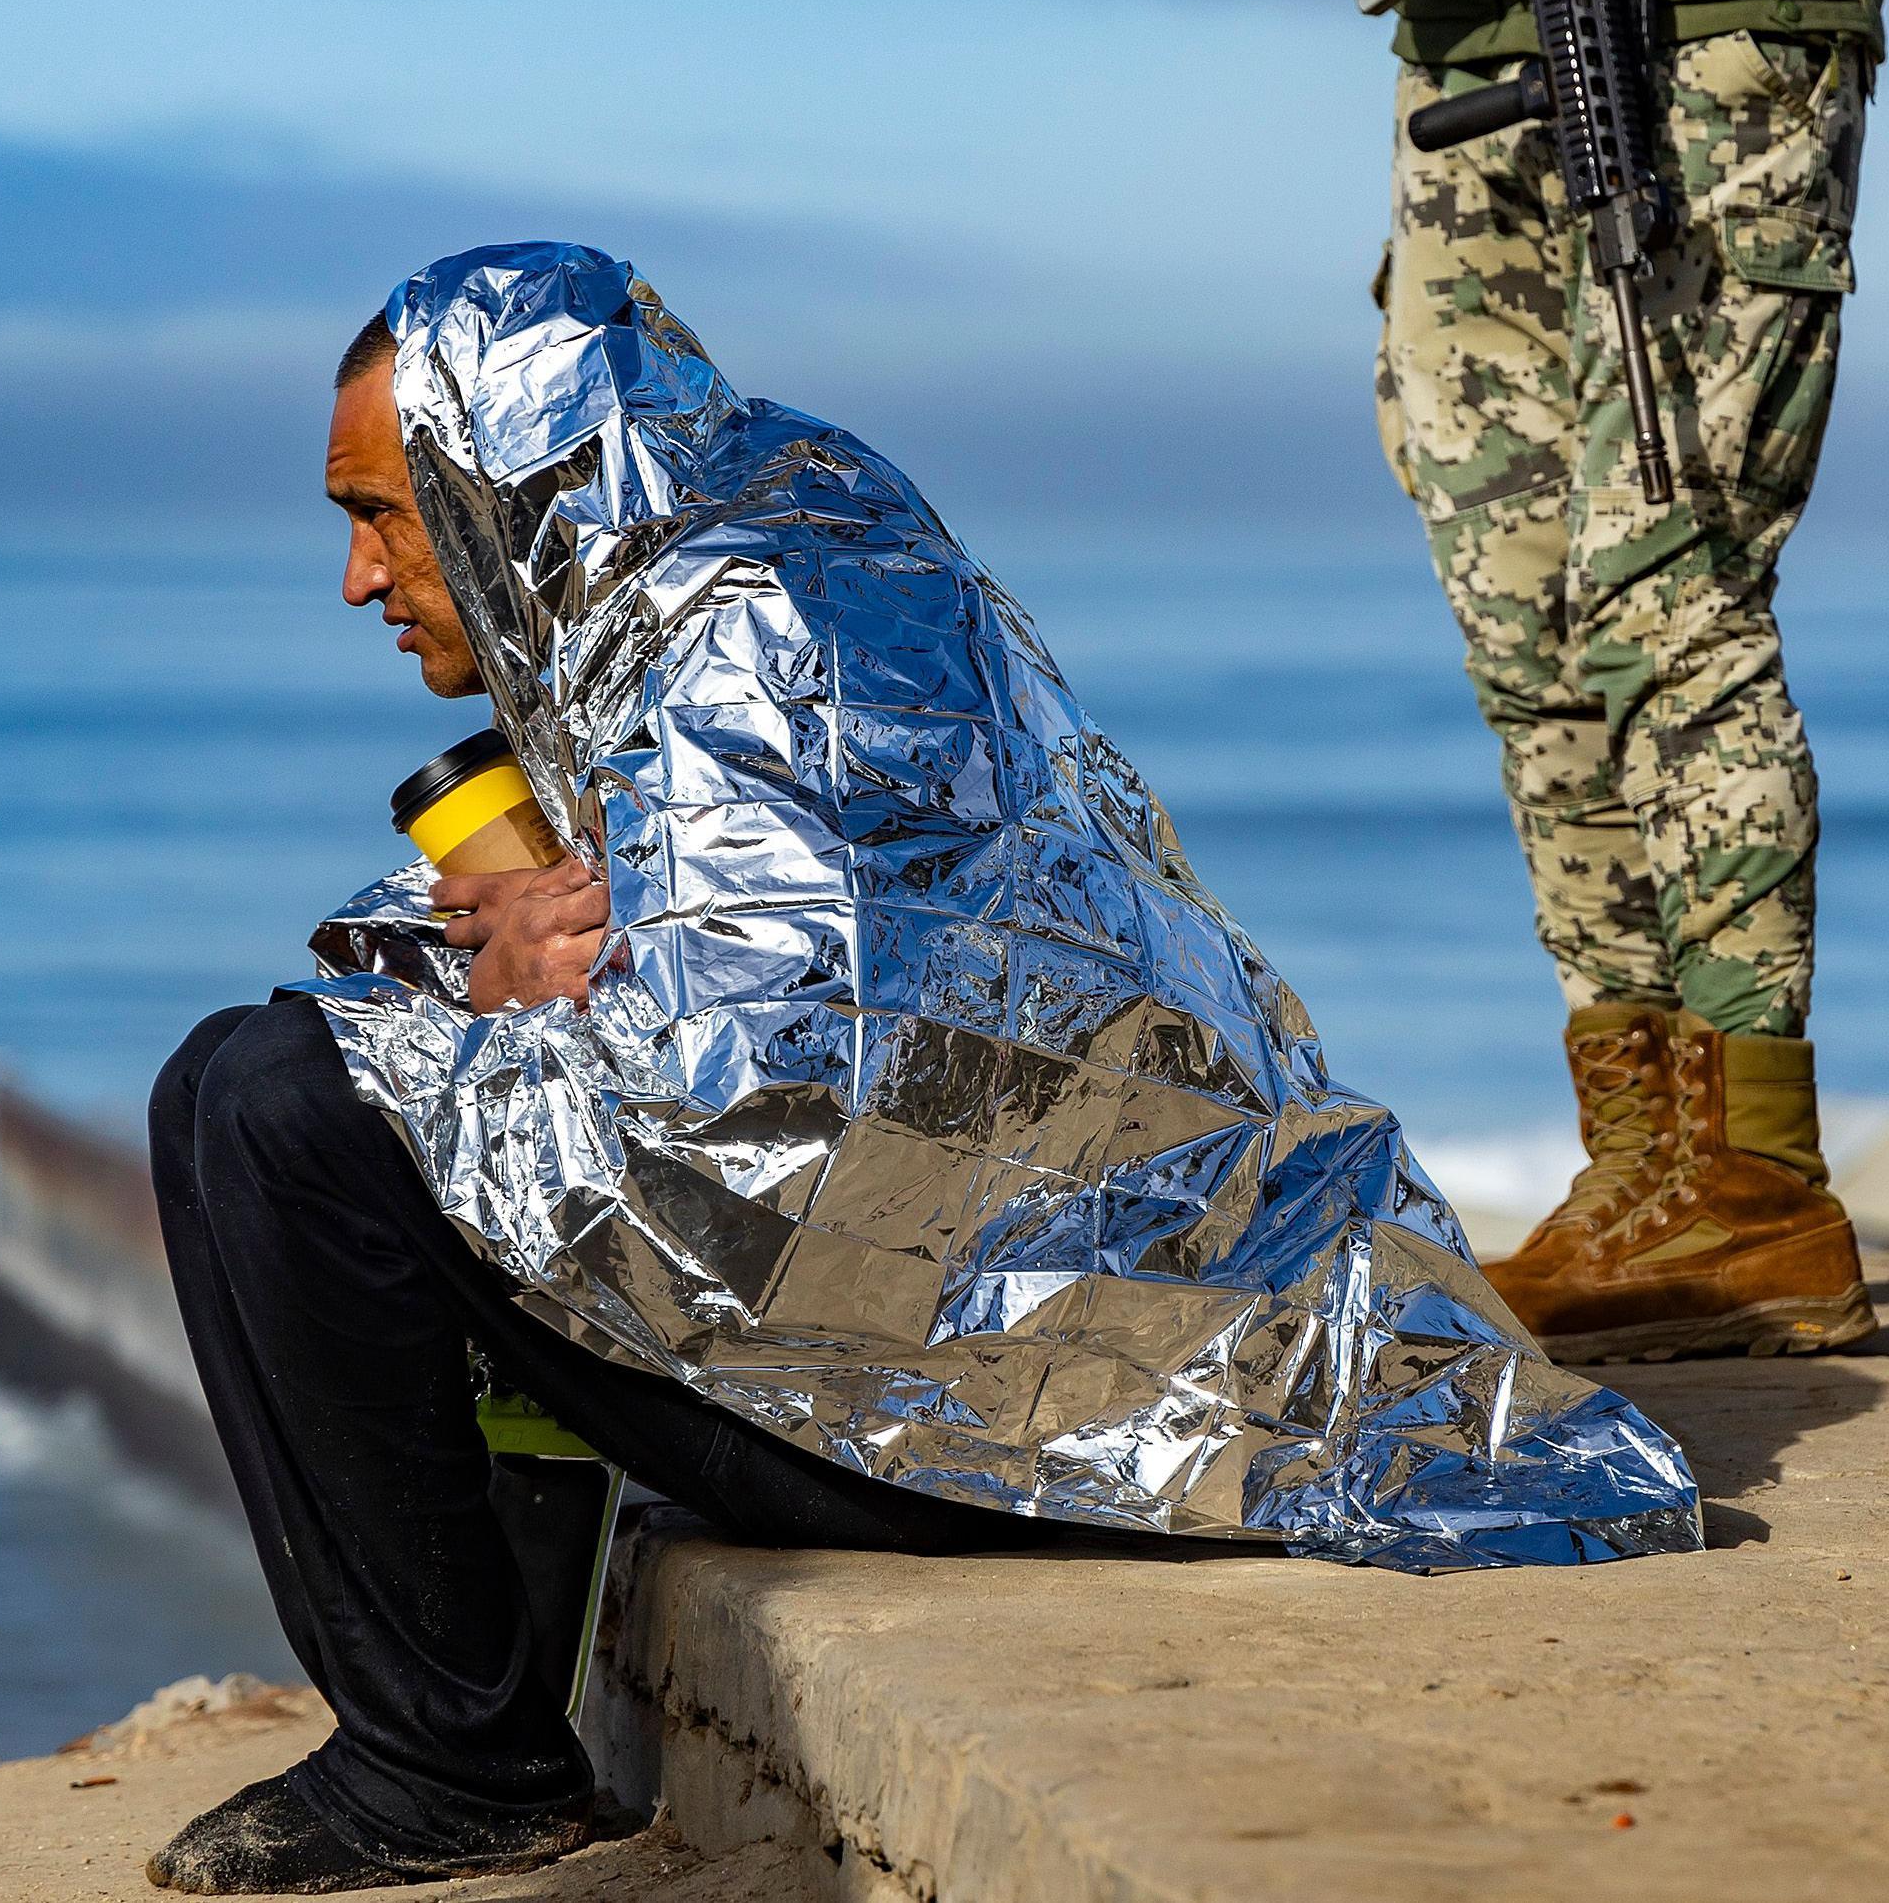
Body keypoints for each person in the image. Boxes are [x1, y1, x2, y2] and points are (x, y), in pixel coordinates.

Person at [143, 245, 1702, 1894]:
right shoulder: (770, 556)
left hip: (981, 1421)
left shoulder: (747, 616)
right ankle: (453, 1727)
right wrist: (485, 966)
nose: (360, 578)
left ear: (503, 479)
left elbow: (765, 1129)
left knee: (274, 1108)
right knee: (248, 1071)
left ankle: (450, 1765)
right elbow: (775, 980)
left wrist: (481, 1000)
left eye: (380, 513)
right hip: (995, 1361)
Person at [1182, 0, 1889, 1363]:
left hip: (1712, 23)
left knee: (1667, 593)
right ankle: (1646, 1167)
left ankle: (1760, 1182)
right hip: (1477, 14)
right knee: (1529, 626)